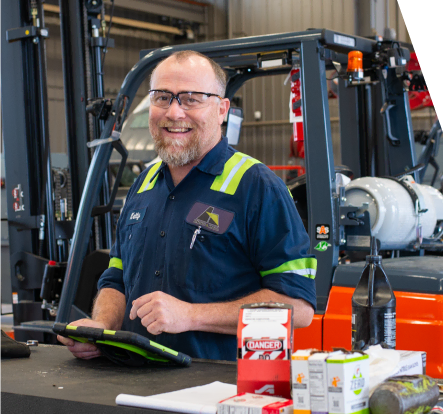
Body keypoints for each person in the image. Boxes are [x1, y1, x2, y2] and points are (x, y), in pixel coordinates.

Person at [58, 50, 317, 361]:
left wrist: (191, 316)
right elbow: (116, 278)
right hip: (130, 384)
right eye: (162, 97)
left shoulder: (257, 187)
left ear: (222, 109)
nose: (174, 112)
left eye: (191, 98)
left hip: (217, 391)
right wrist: (100, 327)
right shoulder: (144, 185)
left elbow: (298, 308)